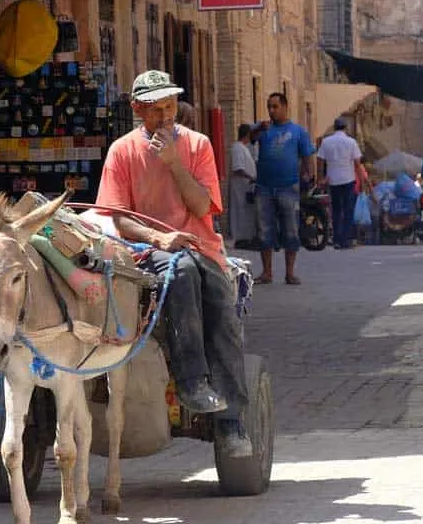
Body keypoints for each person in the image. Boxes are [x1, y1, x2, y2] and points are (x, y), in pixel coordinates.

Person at [97, 70, 252, 458]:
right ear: (137, 110)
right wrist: (158, 238)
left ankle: (232, 422)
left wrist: (173, 163)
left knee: (221, 305)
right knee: (179, 270)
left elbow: (202, 207)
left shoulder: (197, 146)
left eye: (168, 108)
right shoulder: (122, 151)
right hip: (146, 251)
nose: (163, 118)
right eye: (153, 110)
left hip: (201, 246)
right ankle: (191, 380)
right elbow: (118, 217)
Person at [253, 92, 315, 285]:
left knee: (291, 230)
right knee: (264, 230)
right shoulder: (264, 130)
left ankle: (290, 273)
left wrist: (309, 175)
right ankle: (267, 272)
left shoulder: (298, 132)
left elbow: (307, 156)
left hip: (289, 186)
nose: (271, 111)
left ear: (285, 107)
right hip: (264, 187)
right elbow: (249, 137)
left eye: (275, 107)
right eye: (269, 107)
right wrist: (257, 128)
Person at [315, 118, 363, 249]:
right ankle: (345, 240)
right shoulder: (351, 142)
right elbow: (357, 164)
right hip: (348, 180)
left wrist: (321, 178)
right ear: (345, 128)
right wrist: (362, 181)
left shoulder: (326, 142)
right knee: (348, 211)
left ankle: (336, 239)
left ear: (334, 127)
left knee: (336, 210)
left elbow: (320, 160)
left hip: (333, 180)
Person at [228, 123, 259, 249]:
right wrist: (251, 178)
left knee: (247, 213)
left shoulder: (243, 147)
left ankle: (247, 238)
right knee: (240, 213)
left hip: (246, 188)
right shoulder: (237, 148)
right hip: (240, 188)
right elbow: (238, 168)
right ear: (247, 135)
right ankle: (240, 238)